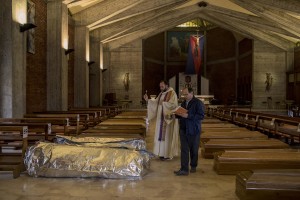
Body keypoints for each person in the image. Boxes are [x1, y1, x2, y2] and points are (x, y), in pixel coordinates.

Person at [144, 80, 179, 160]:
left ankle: (166, 154)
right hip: (160, 119)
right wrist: (148, 100)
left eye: (162, 86)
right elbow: (155, 103)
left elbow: (173, 105)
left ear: (167, 85)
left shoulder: (172, 93)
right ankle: (160, 153)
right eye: (160, 87)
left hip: (168, 120)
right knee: (160, 136)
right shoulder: (161, 94)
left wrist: (163, 104)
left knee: (167, 137)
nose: (161, 88)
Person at [174, 87, 205, 176]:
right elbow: (182, 114)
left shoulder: (198, 103)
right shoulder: (183, 103)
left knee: (194, 150)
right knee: (184, 149)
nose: (184, 96)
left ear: (192, 93)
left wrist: (188, 116)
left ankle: (193, 166)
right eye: (183, 94)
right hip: (183, 129)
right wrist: (176, 115)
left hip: (194, 130)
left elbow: (201, 116)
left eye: (186, 94)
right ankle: (184, 169)